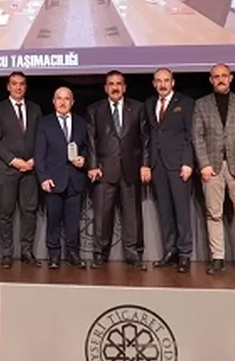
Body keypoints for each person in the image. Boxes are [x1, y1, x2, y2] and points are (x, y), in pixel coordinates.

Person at [191, 64, 235, 276]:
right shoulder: (201, 104)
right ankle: (217, 258)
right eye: (216, 77)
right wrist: (203, 164)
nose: (220, 79)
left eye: (224, 76)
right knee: (213, 214)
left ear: (231, 78)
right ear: (211, 80)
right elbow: (197, 136)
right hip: (212, 168)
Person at [86, 70, 150, 269]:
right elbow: (91, 140)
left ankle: (134, 255)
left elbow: (145, 139)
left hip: (131, 169)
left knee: (132, 215)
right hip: (105, 171)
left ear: (124, 87)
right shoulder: (94, 109)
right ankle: (100, 255)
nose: (115, 87)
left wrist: (145, 164)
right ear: (106, 88)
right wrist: (93, 165)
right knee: (103, 216)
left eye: (119, 83)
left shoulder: (138, 108)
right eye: (111, 83)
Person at [0, 72, 43, 268]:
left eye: (22, 84)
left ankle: (27, 251)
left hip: (30, 169)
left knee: (29, 212)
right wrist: (13, 160)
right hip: (6, 169)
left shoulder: (35, 109)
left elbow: (41, 137)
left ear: (25, 87)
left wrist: (35, 159)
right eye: (14, 84)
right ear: (8, 87)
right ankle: (7, 254)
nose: (18, 87)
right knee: (6, 213)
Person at [144, 68, 195, 273]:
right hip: (158, 165)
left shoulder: (185, 103)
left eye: (166, 80)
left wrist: (188, 162)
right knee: (164, 211)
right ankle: (170, 251)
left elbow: (191, 135)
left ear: (173, 82)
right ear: (154, 83)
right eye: (159, 81)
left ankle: (184, 253)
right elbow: (148, 136)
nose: (163, 84)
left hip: (178, 165)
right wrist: (147, 163)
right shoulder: (149, 104)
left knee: (182, 211)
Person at [36, 87, 90, 269]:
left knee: (73, 221)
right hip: (53, 181)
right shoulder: (44, 123)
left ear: (72, 102)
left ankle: (73, 253)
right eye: (59, 98)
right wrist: (43, 177)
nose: (62, 102)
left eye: (67, 99)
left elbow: (87, 149)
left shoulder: (82, 123)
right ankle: (54, 255)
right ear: (53, 101)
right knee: (53, 220)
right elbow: (40, 153)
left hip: (75, 179)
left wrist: (85, 159)